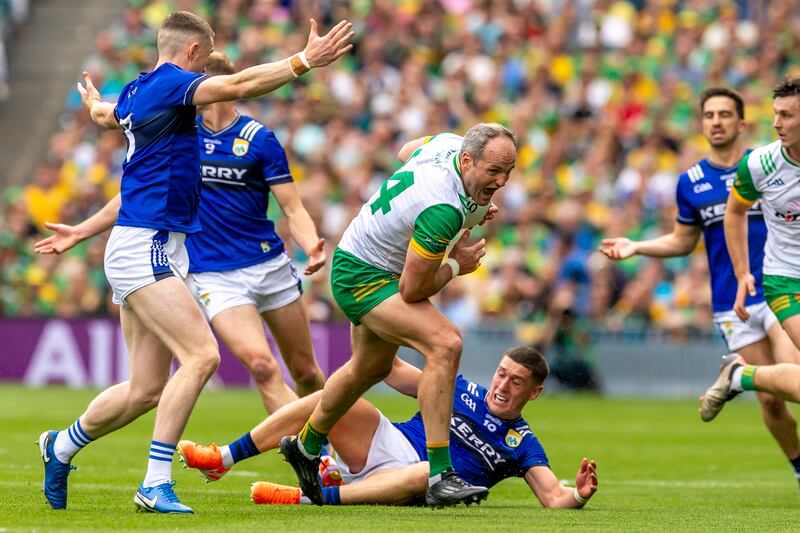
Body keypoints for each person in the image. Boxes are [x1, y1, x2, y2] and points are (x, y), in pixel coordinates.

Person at [33, 11, 353, 514]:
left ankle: (61, 445)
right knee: (202, 356)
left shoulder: (139, 92)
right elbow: (244, 81)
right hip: (149, 246)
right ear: (192, 53)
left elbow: (103, 116)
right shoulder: (176, 85)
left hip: (144, 242)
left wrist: (95, 105)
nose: (204, 72)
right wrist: (303, 61)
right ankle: (155, 482)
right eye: (203, 60)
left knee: (144, 390)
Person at [279, 125, 517, 507]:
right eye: (493, 172)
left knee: (369, 368)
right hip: (365, 276)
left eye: (508, 171)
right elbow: (413, 290)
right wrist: (457, 265)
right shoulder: (444, 208)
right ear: (468, 160)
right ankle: (441, 474)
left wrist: (472, 199)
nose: (502, 181)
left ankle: (306, 444)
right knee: (446, 343)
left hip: (361, 256)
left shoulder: (448, 144)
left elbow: (408, 150)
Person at [600, 87, 800, 482]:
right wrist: (638, 246)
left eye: (725, 114)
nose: (717, 121)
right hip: (731, 300)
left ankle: (737, 378)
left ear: (742, 124)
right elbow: (683, 241)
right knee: (770, 401)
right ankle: (796, 464)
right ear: (701, 124)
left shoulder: (765, 164)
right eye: (709, 115)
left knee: (792, 371)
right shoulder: (691, 182)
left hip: (776, 286)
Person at [177, 346, 599, 508]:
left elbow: (552, 497)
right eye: (502, 374)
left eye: (516, 381)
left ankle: (311, 499)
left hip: (414, 482)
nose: (502, 385)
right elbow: (390, 369)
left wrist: (577, 495)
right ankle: (224, 458)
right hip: (387, 442)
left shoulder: (521, 442)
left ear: (534, 393)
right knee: (330, 399)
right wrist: (379, 315)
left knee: (428, 472)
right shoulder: (461, 389)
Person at [188, 51, 325, 413]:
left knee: (306, 371)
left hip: (268, 264)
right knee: (263, 367)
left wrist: (311, 246)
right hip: (214, 273)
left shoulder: (259, 139)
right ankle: (312, 459)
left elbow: (292, 207)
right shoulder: (182, 137)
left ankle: (336, 445)